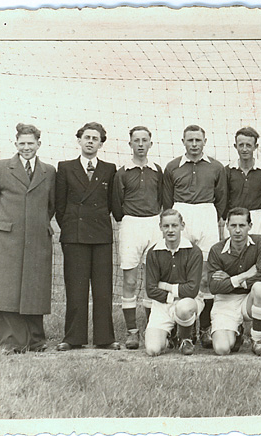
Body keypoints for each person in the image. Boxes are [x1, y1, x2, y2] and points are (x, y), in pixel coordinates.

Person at [0, 123, 56, 353]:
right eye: (21, 143)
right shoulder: (1, 167)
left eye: (30, 143)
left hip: (37, 238)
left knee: (35, 287)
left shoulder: (49, 171)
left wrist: (35, 224)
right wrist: (4, 226)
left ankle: (35, 340)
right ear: (15, 144)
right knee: (8, 288)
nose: (26, 148)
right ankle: (11, 342)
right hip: (8, 239)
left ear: (38, 144)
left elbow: (51, 205)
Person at [55, 122, 119, 351]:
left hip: (101, 236)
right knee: (76, 288)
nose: (91, 141)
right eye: (87, 137)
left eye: (95, 138)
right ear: (79, 140)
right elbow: (60, 206)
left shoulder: (110, 169)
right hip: (74, 236)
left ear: (101, 143)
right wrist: (72, 228)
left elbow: (112, 204)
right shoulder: (64, 167)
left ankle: (105, 338)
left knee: (103, 289)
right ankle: (72, 338)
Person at [163, 124, 227, 348]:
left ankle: (206, 327)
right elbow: (166, 199)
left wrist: (208, 214)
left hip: (207, 213)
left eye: (198, 140)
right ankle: (179, 328)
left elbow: (222, 200)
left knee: (207, 274)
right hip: (182, 212)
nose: (194, 144)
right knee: (180, 271)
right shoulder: (172, 167)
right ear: (183, 142)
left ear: (204, 141)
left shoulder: (217, 167)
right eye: (190, 140)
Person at [111, 126, 163, 350]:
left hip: (154, 224)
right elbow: (116, 204)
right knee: (130, 280)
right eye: (136, 140)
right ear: (130, 144)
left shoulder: (157, 171)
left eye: (144, 140)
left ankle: (153, 328)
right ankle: (132, 332)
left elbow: (162, 199)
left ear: (151, 144)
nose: (140, 144)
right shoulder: (122, 172)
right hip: (131, 224)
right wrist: (129, 219)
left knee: (153, 280)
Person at [207, 207, 261, 356]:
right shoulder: (216, 250)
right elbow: (214, 287)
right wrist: (244, 276)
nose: (237, 230)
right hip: (225, 302)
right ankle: (236, 333)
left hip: (249, 299)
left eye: (242, 225)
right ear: (227, 226)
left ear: (250, 226)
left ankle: (257, 340)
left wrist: (229, 280)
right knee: (222, 349)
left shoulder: (259, 242)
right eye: (233, 226)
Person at [144, 209, 204, 356]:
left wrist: (164, 286)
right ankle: (169, 337)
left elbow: (192, 290)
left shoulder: (194, 251)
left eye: (174, 225)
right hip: (162, 304)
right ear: (160, 227)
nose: (170, 230)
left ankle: (185, 339)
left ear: (182, 226)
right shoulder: (153, 252)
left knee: (183, 308)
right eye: (166, 226)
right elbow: (150, 290)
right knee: (152, 350)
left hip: (188, 301)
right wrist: (171, 297)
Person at [225, 127, 261, 239]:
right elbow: (223, 197)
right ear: (235, 146)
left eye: (248, 145)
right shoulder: (227, 171)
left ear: (256, 147)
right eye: (241, 145)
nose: (244, 149)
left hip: (259, 218)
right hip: (234, 218)